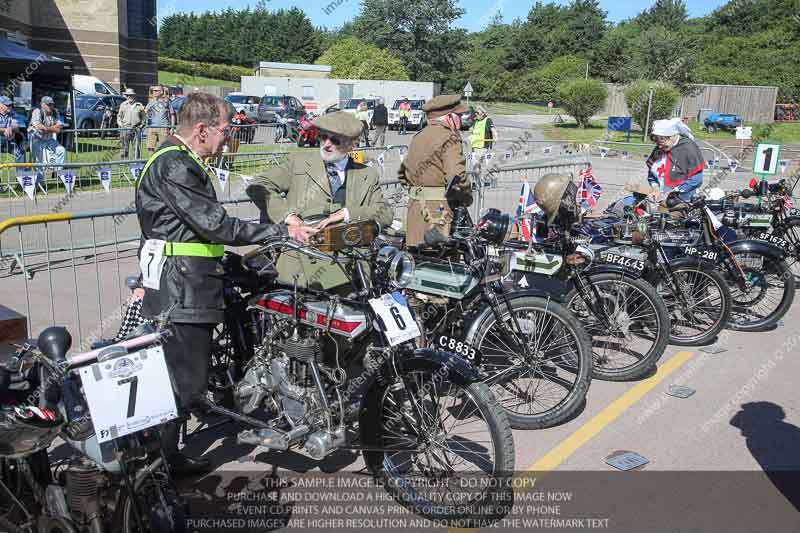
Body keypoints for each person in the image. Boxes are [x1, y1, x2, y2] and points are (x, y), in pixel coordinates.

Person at [135, 92, 315, 474]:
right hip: (183, 287)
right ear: (201, 130)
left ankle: (163, 456)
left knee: (182, 374)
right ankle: (161, 466)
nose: (228, 140)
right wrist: (277, 230)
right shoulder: (177, 167)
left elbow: (173, 228)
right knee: (184, 379)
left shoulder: (171, 160)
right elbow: (214, 224)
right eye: (224, 130)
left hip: (182, 279)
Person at [246, 111, 392, 290]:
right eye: (323, 137)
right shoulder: (297, 162)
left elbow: (385, 212)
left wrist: (346, 213)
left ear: (352, 145)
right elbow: (259, 185)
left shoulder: (367, 175)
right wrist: (289, 217)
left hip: (350, 271)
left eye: (335, 140)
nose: (327, 144)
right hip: (299, 270)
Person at [397, 94, 472, 247]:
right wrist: (466, 197)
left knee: (415, 259)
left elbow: (403, 173)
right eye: (458, 115)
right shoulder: (449, 137)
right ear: (449, 117)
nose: (460, 119)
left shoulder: (418, 136)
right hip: (438, 211)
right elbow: (456, 176)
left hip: (415, 208)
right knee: (441, 263)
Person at [646, 118, 705, 203]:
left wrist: (672, 193)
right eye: (657, 143)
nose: (659, 147)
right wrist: (655, 188)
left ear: (672, 136)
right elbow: (651, 175)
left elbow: (696, 179)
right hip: (661, 198)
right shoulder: (660, 147)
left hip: (683, 199)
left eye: (663, 143)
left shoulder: (688, 147)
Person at [28, 96, 66, 169]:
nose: (50, 106)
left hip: (49, 139)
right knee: (38, 161)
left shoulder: (55, 112)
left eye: (51, 104)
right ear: (42, 104)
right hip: (36, 139)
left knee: (61, 150)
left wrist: (48, 128)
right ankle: (39, 179)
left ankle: (57, 173)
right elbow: (39, 126)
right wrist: (53, 128)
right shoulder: (37, 111)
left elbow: (60, 126)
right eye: (48, 104)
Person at [470, 105, 499, 175]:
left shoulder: (487, 120)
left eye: (477, 112)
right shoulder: (475, 120)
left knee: (477, 164)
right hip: (474, 146)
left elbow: (493, 130)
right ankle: (477, 181)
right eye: (475, 113)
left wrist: (495, 137)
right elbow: (471, 130)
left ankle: (480, 181)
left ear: (483, 113)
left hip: (483, 146)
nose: (476, 114)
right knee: (475, 166)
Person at [117, 88, 145, 159]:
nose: (129, 97)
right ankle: (123, 162)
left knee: (136, 147)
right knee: (124, 147)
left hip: (136, 129)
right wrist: (121, 125)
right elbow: (119, 117)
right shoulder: (123, 105)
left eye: (131, 95)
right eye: (127, 95)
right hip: (125, 129)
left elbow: (144, 118)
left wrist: (140, 126)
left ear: (134, 96)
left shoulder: (139, 105)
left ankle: (136, 163)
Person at [145, 86, 173, 153]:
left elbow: (172, 115)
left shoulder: (167, 101)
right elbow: (145, 113)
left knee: (164, 148)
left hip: (163, 127)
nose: (154, 92)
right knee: (150, 147)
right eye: (153, 90)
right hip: (152, 127)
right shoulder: (150, 102)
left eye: (156, 90)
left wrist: (172, 127)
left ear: (161, 92)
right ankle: (152, 161)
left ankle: (163, 162)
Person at [0, 96, 26, 163]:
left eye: (10, 105)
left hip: (9, 139)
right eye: (7, 105)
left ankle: (21, 172)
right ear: (1, 105)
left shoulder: (13, 114)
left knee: (20, 155)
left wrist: (10, 128)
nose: (10, 106)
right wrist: (5, 130)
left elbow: (17, 127)